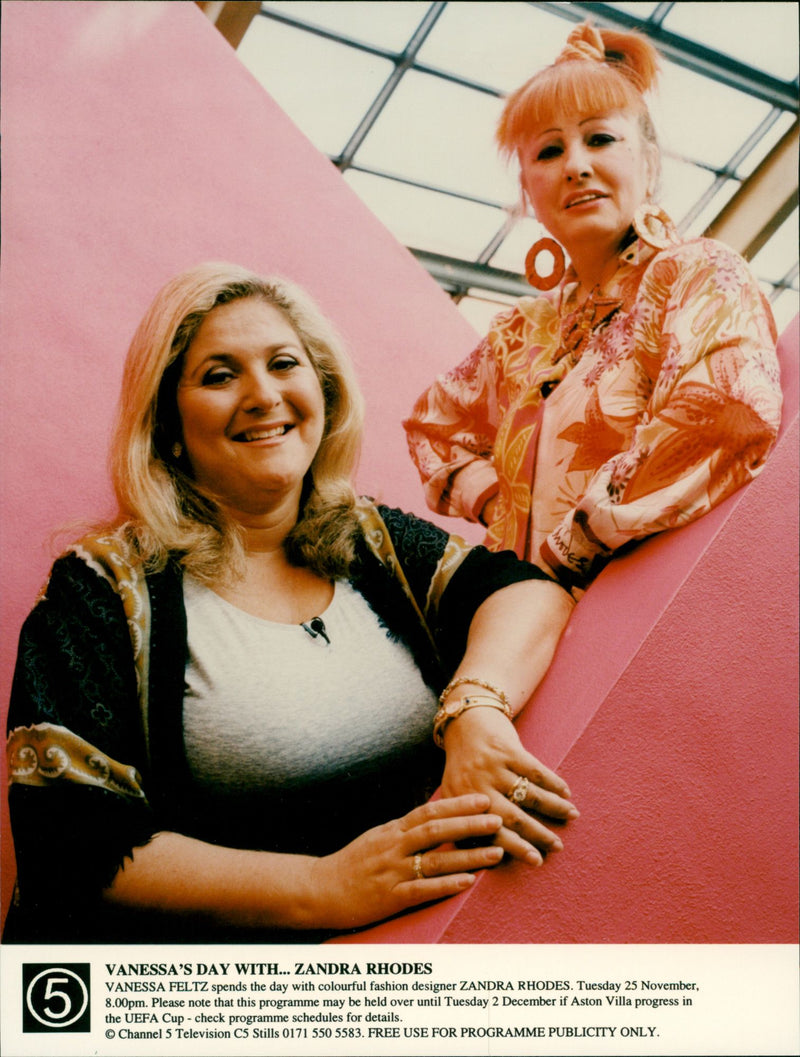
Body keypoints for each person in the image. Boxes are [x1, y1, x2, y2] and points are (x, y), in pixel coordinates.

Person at [5, 263, 578, 944]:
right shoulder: (99, 590)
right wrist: (323, 888)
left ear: (323, 393)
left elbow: (525, 591)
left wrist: (474, 707)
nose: (262, 395)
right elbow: (68, 843)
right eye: (219, 375)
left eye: (284, 363)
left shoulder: (366, 536)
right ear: (168, 426)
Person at [404, 21, 782, 595]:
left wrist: (570, 550)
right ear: (529, 192)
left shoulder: (697, 274)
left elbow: (726, 413)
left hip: (624, 621)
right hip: (506, 620)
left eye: (600, 139)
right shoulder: (518, 332)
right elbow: (432, 427)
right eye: (550, 151)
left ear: (648, 161)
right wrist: (494, 505)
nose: (575, 165)